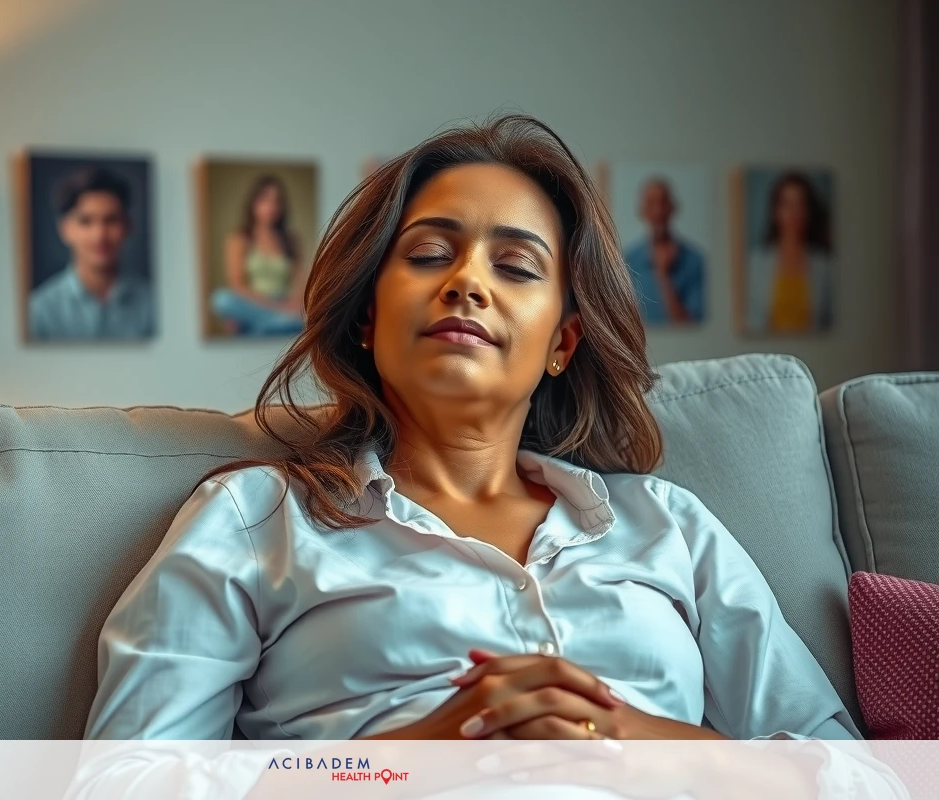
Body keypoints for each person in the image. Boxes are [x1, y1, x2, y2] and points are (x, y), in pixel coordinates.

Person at [82, 116, 900, 795]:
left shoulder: (668, 527)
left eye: (515, 266)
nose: (468, 281)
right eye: (430, 254)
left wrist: (656, 744)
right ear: (368, 314)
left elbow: (874, 783)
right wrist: (405, 760)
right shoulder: (255, 521)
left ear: (561, 342)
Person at [28, 167, 153, 341]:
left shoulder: (154, 305)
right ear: (65, 230)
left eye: (111, 220)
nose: (100, 235)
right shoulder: (39, 311)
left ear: (128, 226)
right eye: (85, 221)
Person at [210, 175, 306, 336]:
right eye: (265, 200)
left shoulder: (291, 240)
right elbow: (237, 284)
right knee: (221, 299)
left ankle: (263, 326)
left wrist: (291, 305)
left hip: (283, 301)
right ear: (253, 203)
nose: (271, 206)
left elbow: (300, 283)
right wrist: (274, 308)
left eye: (277, 201)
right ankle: (274, 324)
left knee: (310, 310)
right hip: (254, 302)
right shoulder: (240, 239)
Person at [744, 171, 832, 334]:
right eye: (787, 204)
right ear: (775, 211)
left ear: (809, 212)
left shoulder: (825, 265)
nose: (793, 213)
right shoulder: (755, 262)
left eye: (800, 204)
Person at [622, 178, 705, 324]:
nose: (658, 211)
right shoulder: (627, 261)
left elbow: (692, 327)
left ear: (673, 208)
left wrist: (663, 276)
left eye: (663, 202)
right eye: (651, 203)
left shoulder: (695, 261)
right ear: (643, 211)